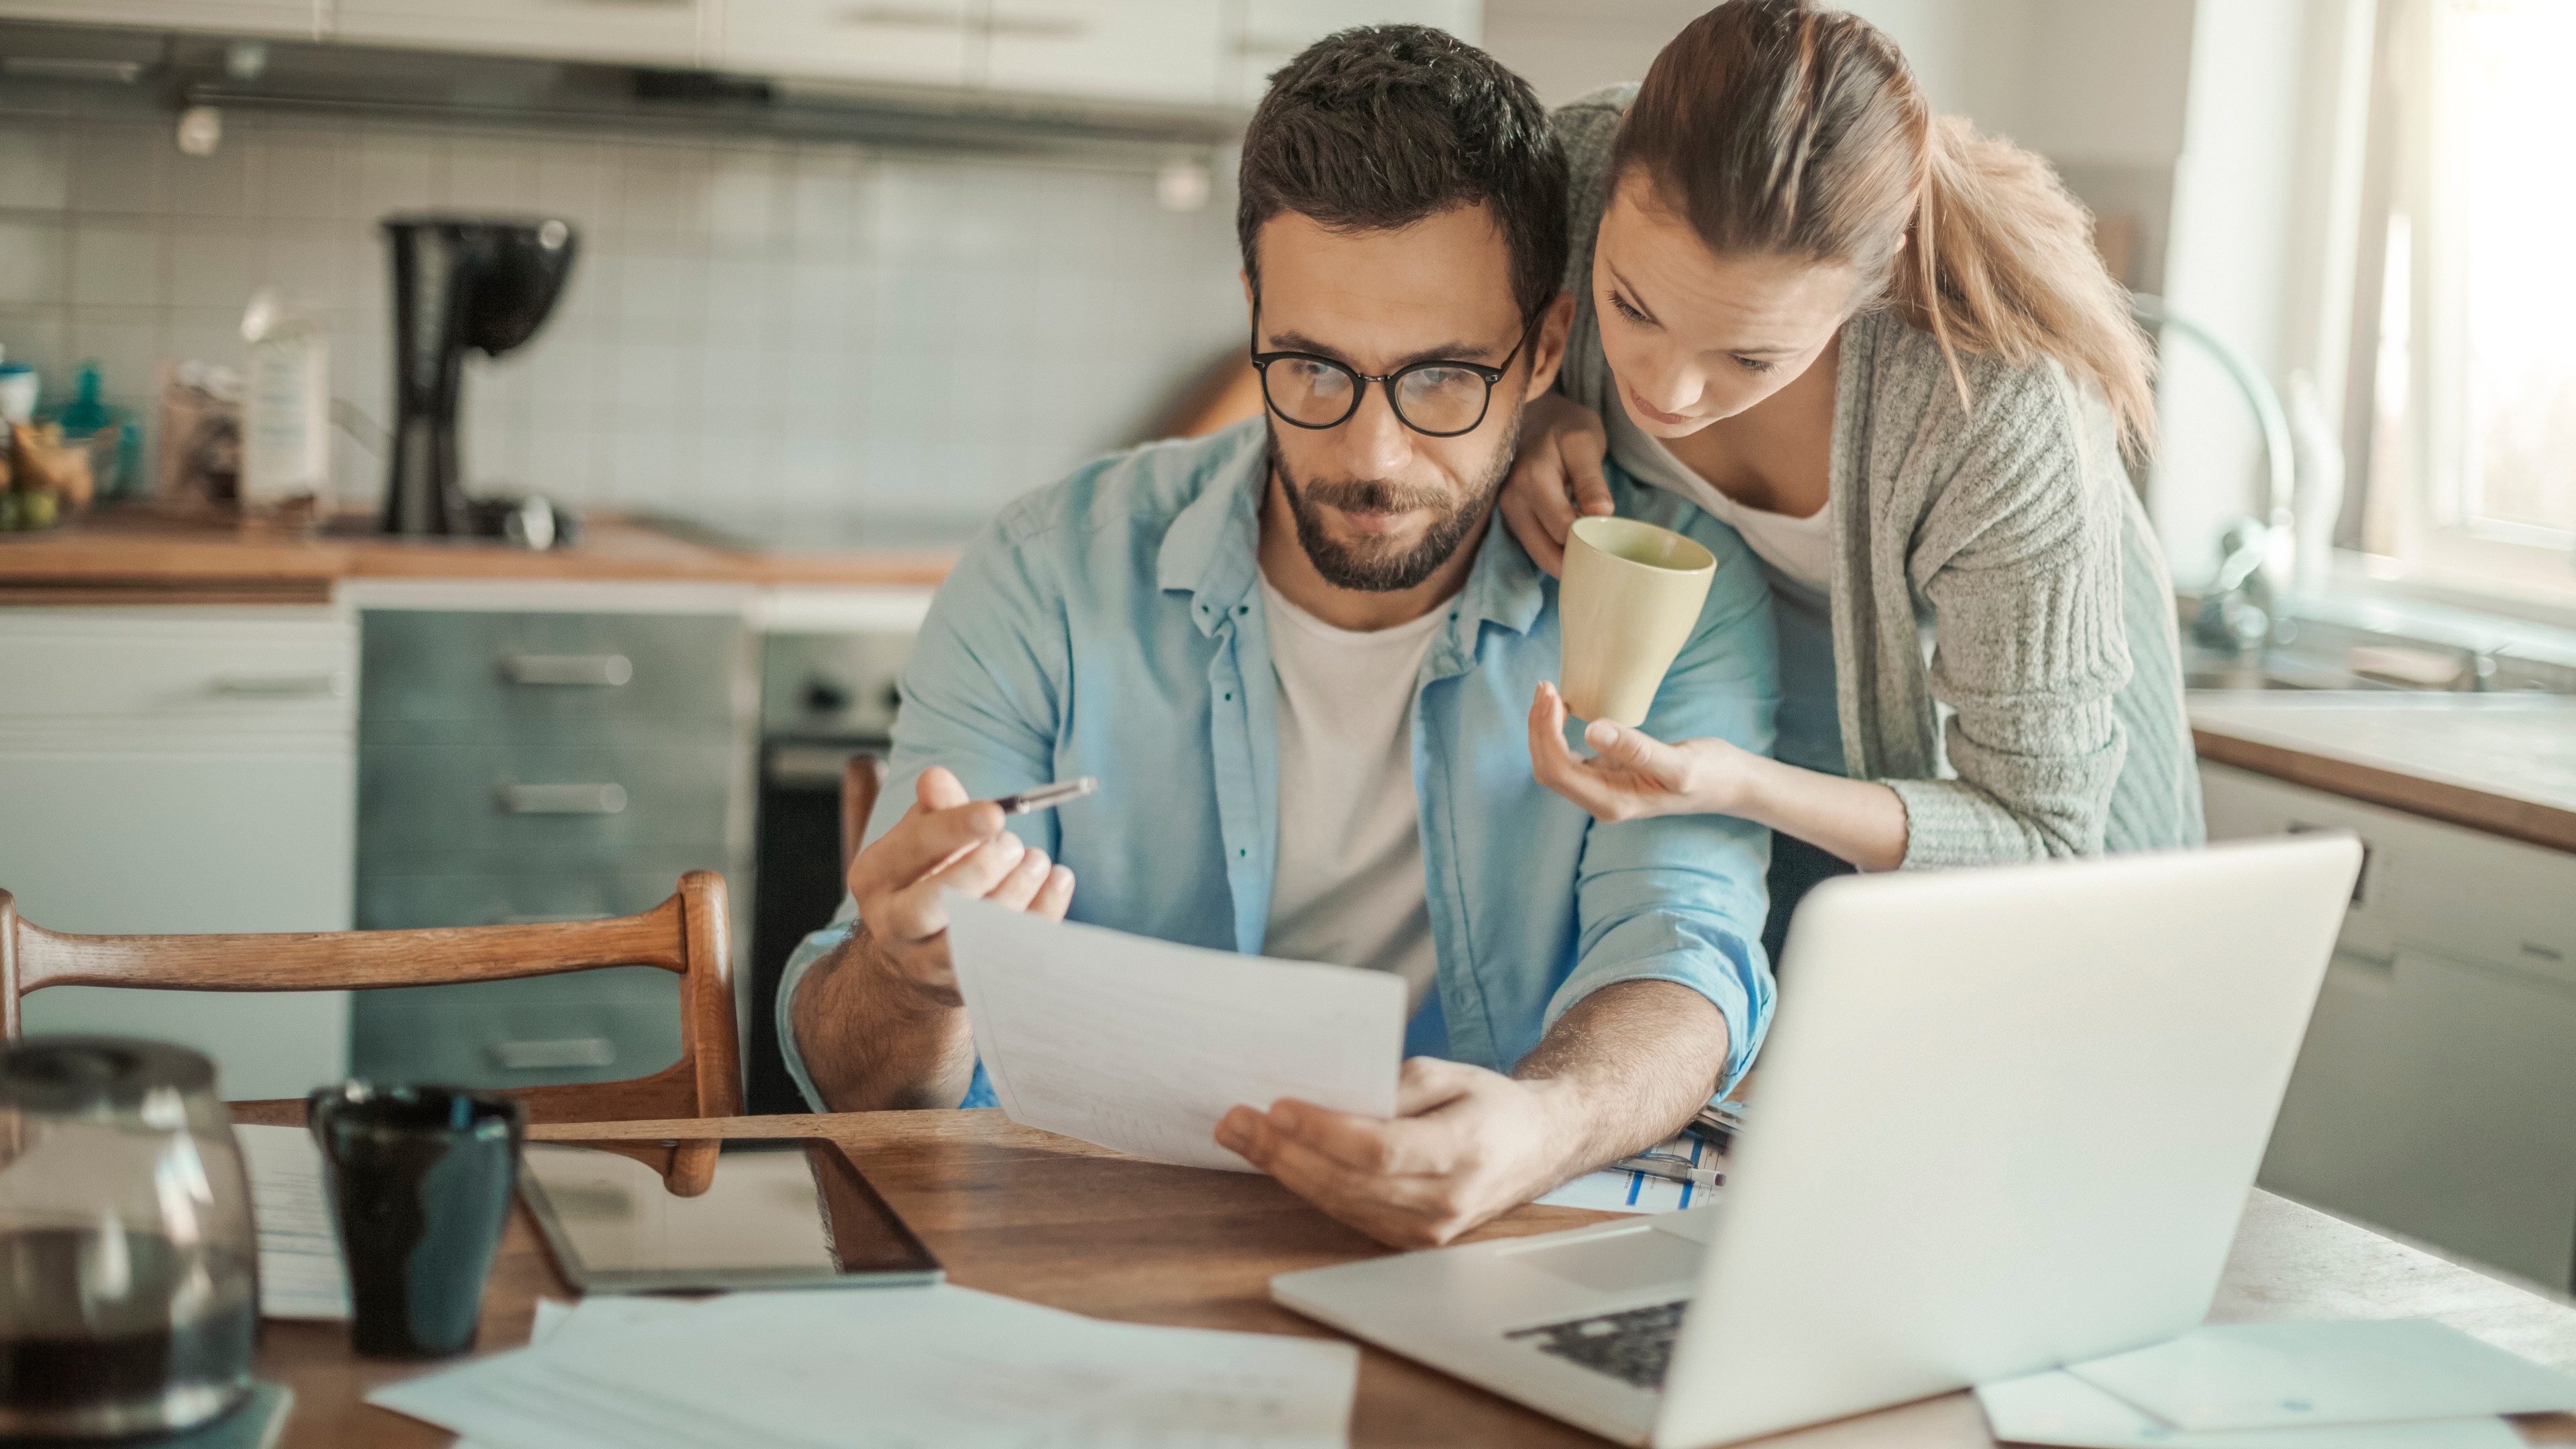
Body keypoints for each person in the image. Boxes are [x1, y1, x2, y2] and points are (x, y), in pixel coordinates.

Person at [780, 25, 1780, 1248]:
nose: (1371, 455)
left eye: (1444, 378)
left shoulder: (1670, 590)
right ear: (1253, 310)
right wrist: (908, 975)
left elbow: (1679, 958)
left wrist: (1547, 1122)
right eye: (1312, 368)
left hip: (1489, 1253)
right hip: (1087, 1255)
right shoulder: (1048, 569)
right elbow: (860, 1085)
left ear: (1548, 350)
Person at [1501, 0, 2203, 961]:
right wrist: (1529, 405)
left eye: (1750, 358)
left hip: (1965, 807)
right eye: (1631, 306)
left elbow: (2038, 837)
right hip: (1714, 743)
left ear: (1873, 292)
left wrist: (1742, 782)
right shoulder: (1574, 171)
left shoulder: (1991, 410)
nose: (1664, 390)